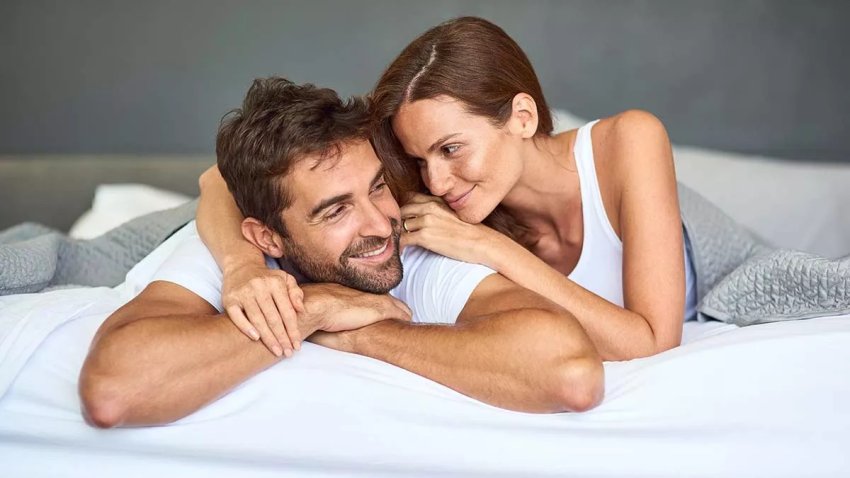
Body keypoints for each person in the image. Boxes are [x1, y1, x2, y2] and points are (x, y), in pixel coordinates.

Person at [78, 77, 603, 428]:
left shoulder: (405, 238)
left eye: (376, 187)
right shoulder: (236, 253)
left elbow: (570, 374)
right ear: (266, 238)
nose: (378, 224)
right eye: (335, 212)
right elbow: (113, 392)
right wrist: (314, 308)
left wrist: (364, 334)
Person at [196, 17, 698, 362]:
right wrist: (242, 269)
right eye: (420, 159)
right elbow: (220, 177)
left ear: (523, 117)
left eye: (452, 149)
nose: (435, 181)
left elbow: (653, 342)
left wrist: (488, 246)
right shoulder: (434, 187)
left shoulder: (628, 140)